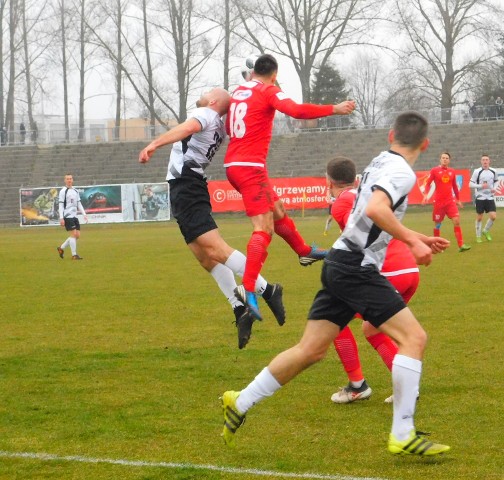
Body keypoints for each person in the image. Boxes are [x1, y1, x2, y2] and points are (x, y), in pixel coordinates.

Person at [221, 111, 452, 457]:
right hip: (356, 267)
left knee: (310, 351)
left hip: (339, 263)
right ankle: (402, 432)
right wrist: (414, 241)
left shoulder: (379, 161)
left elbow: (365, 215)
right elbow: (375, 209)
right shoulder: (402, 172)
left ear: (391, 135)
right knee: (414, 338)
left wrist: (416, 236)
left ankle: (240, 400)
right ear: (426, 144)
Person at [138, 87, 285, 349]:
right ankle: (240, 309)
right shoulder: (218, 123)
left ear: (214, 101)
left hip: (187, 186)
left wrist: (154, 144)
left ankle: (267, 289)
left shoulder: (205, 113)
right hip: (186, 187)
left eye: (207, 92)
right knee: (205, 257)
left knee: (216, 249)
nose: (203, 95)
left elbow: (185, 129)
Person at [223, 53, 355, 321]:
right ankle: (249, 291)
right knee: (264, 228)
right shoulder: (267, 89)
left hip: (235, 164)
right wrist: (335, 108)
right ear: (274, 74)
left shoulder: (240, 91)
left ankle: (304, 252)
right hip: (250, 167)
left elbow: (229, 126)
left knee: (278, 209)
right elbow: (296, 111)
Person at [326, 156, 421, 405]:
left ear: (329, 181)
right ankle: (406, 388)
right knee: (372, 329)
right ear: (356, 178)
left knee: (331, 321)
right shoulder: (368, 193)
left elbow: (363, 238)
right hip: (408, 269)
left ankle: (357, 386)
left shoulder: (341, 203)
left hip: (384, 270)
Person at [422, 151, 471, 252]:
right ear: (440, 159)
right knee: (438, 224)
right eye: (443, 158)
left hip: (450, 202)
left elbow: (455, 187)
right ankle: (436, 245)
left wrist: (458, 199)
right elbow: (428, 184)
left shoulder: (452, 171)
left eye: (446, 158)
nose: (445, 159)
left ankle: (461, 245)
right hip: (439, 203)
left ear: (449, 160)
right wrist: (426, 195)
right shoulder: (435, 170)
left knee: (456, 221)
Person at [57, 174, 88, 260]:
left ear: (72, 180)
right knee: (73, 234)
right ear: (65, 180)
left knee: (77, 235)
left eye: (70, 179)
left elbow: (79, 203)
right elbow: (61, 205)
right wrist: (61, 217)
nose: (69, 180)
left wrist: (84, 214)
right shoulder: (63, 191)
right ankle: (74, 255)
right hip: (67, 216)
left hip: (74, 216)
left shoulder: (75, 191)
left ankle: (61, 248)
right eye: (67, 179)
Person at [469, 154, 498, 243]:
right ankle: (478, 236)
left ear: (489, 161)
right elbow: (470, 184)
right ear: (481, 161)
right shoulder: (477, 171)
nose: (485, 161)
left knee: (493, 216)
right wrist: (481, 185)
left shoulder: (493, 171)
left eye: (486, 160)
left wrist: (494, 189)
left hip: (489, 197)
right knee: (479, 218)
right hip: (480, 197)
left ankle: (485, 230)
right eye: (483, 160)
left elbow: (496, 181)